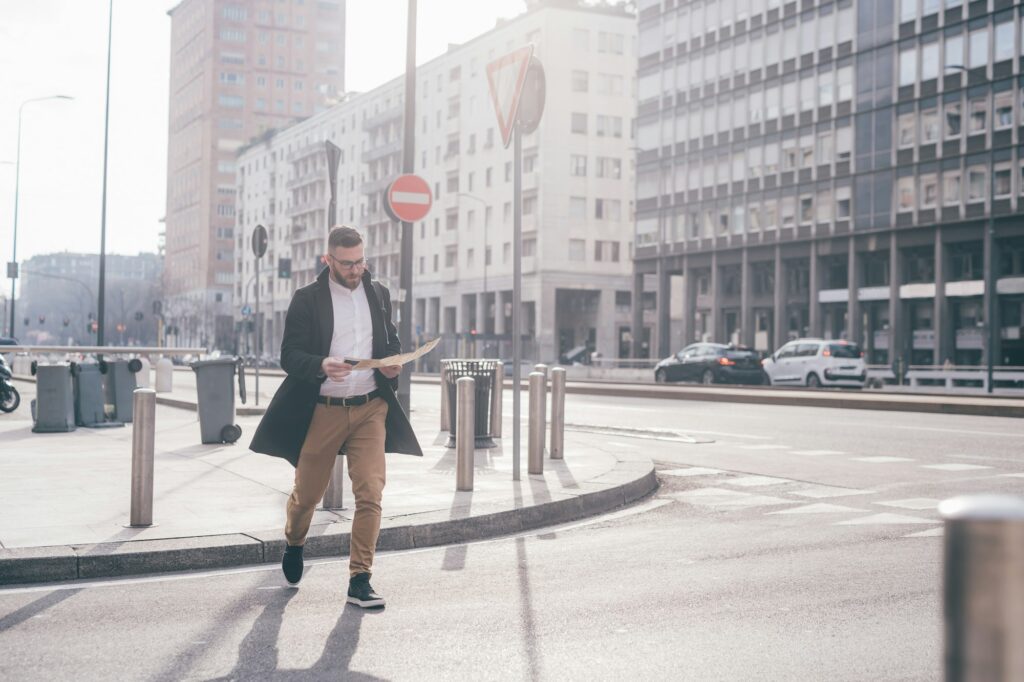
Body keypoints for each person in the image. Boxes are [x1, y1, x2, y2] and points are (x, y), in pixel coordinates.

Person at [250, 225, 423, 608]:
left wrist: (393, 364)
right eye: (347, 263)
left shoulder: (378, 294)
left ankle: (360, 578)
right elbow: (289, 355)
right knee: (307, 496)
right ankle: (295, 542)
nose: (356, 269)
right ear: (328, 260)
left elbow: (390, 342)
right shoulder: (307, 299)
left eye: (361, 260)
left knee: (370, 492)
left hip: (370, 407)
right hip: (322, 410)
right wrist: (321, 365)